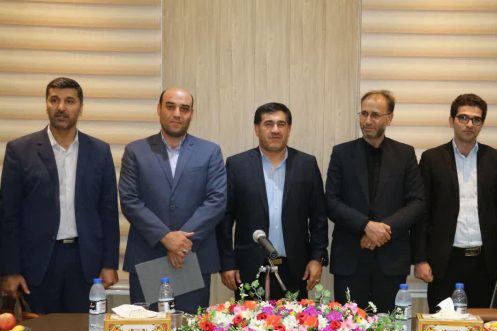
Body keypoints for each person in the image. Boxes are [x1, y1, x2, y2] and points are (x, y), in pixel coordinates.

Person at [0, 77, 119, 313]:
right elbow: (8, 216)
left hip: (85, 263)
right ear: (46, 104)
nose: (61, 107)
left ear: (80, 107)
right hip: (38, 265)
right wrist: (10, 270)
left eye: (69, 101)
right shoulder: (20, 151)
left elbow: (108, 212)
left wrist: (109, 264)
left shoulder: (99, 151)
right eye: (54, 100)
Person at [119, 87, 226, 313]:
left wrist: (181, 243)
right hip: (148, 257)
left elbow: (216, 200)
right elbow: (129, 200)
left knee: (189, 330)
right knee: (148, 330)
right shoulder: (136, 151)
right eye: (170, 106)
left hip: (192, 258)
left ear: (191, 114)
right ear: (159, 109)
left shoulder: (210, 151)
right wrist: (166, 237)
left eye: (184, 109)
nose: (177, 114)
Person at [412, 93, 497, 312]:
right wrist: (420, 259)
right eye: (463, 118)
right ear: (452, 121)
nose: (470, 124)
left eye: (476, 119)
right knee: (442, 325)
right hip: (444, 262)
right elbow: (422, 213)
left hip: (485, 263)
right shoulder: (432, 158)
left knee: (481, 326)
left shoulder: (496, 159)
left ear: (482, 124)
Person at [325, 90, 424, 312]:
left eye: (375, 115)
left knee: (389, 327)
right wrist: (366, 226)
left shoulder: (405, 154)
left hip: (391, 258)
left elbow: (417, 202)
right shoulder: (341, 153)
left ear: (389, 118)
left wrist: (382, 230)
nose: (367, 120)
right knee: (347, 326)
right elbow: (331, 201)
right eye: (364, 113)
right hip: (349, 257)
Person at [217, 102, 328, 300]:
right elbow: (225, 219)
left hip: (296, 268)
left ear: (289, 129)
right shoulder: (237, 165)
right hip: (249, 268)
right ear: (257, 129)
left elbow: (318, 217)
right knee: (247, 321)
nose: (275, 130)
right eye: (268, 124)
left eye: (281, 124)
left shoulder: (306, 164)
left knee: (296, 320)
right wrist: (227, 263)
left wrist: (316, 258)